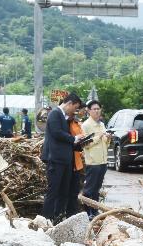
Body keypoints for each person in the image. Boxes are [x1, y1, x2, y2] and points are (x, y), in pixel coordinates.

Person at [40, 93, 84, 221]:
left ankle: (57, 217)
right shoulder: (55, 114)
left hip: (65, 160)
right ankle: (46, 219)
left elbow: (64, 139)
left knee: (63, 192)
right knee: (53, 192)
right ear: (69, 103)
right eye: (75, 107)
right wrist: (74, 138)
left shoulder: (63, 117)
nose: (74, 111)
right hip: (55, 159)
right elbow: (57, 133)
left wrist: (79, 143)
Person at [80, 100, 112, 218]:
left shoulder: (101, 124)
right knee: (89, 189)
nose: (97, 111)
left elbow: (106, 144)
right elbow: (85, 144)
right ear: (88, 111)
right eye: (94, 109)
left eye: (99, 109)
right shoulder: (86, 125)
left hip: (103, 161)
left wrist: (108, 138)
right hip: (93, 162)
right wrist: (99, 137)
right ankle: (88, 213)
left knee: (97, 188)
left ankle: (95, 212)